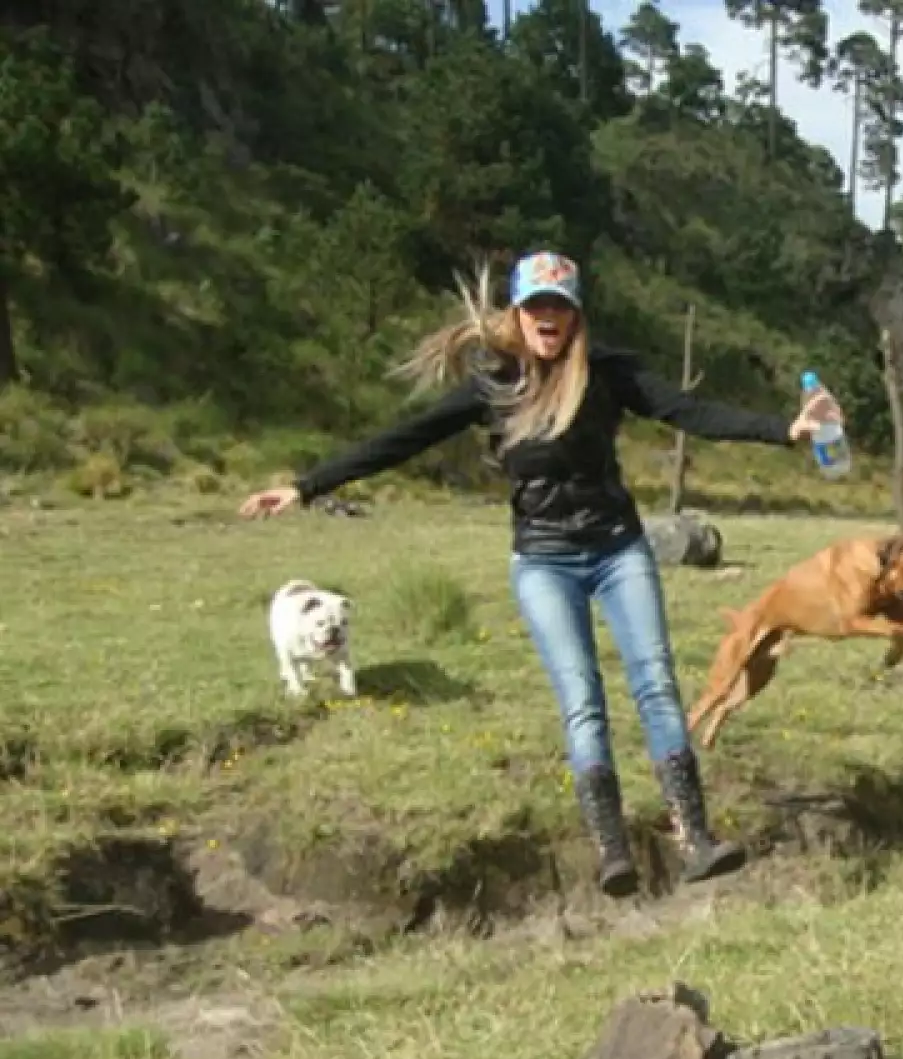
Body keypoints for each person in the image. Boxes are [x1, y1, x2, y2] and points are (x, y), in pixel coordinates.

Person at [239, 250, 819, 899]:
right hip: (544, 560)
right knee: (582, 701)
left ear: (575, 315)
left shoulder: (608, 371)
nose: (549, 317)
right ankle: (611, 852)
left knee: (655, 684)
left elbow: (691, 412)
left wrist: (784, 430)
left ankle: (695, 841)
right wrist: (305, 486)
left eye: (560, 306)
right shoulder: (494, 383)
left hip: (619, 550)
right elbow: (403, 438)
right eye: (537, 306)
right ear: (519, 314)